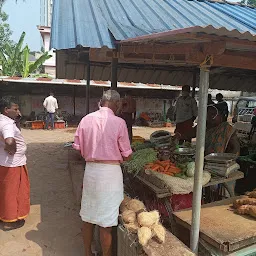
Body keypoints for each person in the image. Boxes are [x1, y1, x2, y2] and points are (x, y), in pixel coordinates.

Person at [73, 90, 132, 256]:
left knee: (88, 216)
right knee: (106, 222)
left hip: (91, 171)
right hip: (110, 173)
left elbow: (77, 148)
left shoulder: (86, 119)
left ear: (101, 102)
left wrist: (91, 155)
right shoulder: (119, 122)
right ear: (117, 104)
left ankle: (87, 253)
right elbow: (127, 154)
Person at [0, 96, 30, 231]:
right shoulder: (7, 124)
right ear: (6, 110)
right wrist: (11, 148)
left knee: (5, 190)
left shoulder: (2, 120)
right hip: (13, 164)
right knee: (12, 192)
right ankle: (9, 221)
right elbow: (9, 141)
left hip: (5, 162)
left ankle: (4, 215)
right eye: (15, 109)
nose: (19, 112)